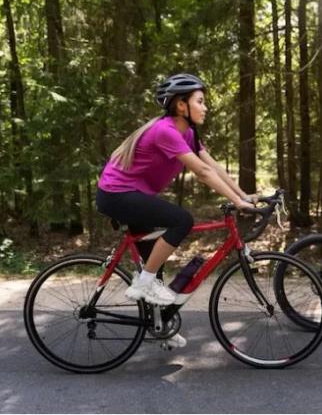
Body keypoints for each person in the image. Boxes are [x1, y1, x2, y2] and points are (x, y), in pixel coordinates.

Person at [96, 73, 254, 347]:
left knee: (154, 265)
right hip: (116, 194)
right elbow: (202, 173)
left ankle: (160, 326)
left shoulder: (188, 133)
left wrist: (243, 195)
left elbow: (212, 165)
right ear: (182, 105)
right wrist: (238, 203)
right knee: (182, 220)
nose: (205, 107)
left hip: (130, 195)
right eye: (200, 101)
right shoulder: (165, 131)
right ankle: (143, 283)